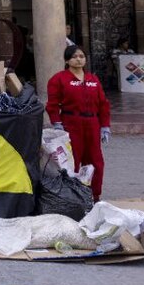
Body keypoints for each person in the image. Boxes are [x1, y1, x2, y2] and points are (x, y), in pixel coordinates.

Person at [46, 45, 111, 200]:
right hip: (71, 123)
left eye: (81, 56)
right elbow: (52, 104)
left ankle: (94, 196)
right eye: (74, 57)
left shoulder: (93, 79)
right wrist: (57, 123)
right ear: (67, 60)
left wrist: (105, 126)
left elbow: (103, 104)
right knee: (72, 161)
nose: (79, 59)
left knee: (95, 161)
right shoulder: (59, 79)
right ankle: (73, 196)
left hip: (92, 123)